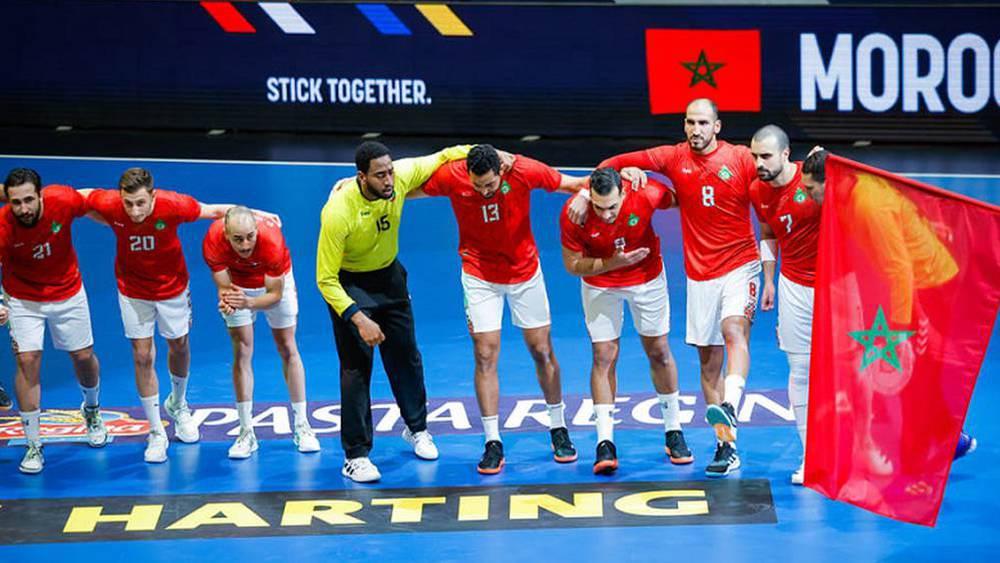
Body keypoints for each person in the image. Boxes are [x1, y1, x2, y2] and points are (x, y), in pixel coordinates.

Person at [595, 98, 760, 477]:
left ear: (717, 126)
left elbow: (779, 172)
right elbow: (608, 165)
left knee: (733, 330)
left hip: (740, 265)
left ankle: (730, 407)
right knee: (708, 365)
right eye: (690, 122)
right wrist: (630, 174)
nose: (696, 129)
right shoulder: (672, 157)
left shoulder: (739, 158)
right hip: (700, 275)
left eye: (703, 123)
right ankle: (726, 445)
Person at [410, 144, 585, 474]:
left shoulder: (524, 171)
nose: (484, 191)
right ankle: (492, 441)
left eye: (489, 185)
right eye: (478, 186)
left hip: (525, 273)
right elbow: (407, 187)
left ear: (501, 171)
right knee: (485, 354)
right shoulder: (454, 175)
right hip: (479, 276)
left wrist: (592, 194)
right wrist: (360, 189)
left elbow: (573, 183)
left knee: (542, 350)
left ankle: (558, 427)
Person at [86, 167, 278, 464]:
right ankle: (155, 432)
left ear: (152, 195)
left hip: (173, 289)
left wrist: (256, 212)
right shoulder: (111, 203)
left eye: (140, 203)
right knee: (142, 355)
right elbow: (79, 198)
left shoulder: (174, 204)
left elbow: (214, 210)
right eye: (128, 204)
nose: (134, 211)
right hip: (132, 289)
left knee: (179, 346)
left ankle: (178, 403)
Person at [802, 149, 977, 463]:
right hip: (902, 282)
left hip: (930, 280)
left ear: (828, 184)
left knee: (918, 365)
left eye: (809, 190)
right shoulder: (844, 187)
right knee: (913, 366)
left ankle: (946, 440)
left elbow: (899, 268)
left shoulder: (869, 205)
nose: (806, 196)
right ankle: (925, 432)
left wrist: (899, 327)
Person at [317, 141, 476, 483]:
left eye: (390, 171)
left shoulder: (399, 179)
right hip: (350, 285)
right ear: (361, 177)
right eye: (380, 175)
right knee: (356, 369)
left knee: (406, 356)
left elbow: (444, 156)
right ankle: (356, 456)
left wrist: (491, 152)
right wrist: (358, 318)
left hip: (389, 278)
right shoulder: (338, 211)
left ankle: (417, 428)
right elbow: (325, 279)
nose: (389, 180)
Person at [560, 167, 693, 475]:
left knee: (659, 352)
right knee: (603, 355)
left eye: (612, 206)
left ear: (623, 193)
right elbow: (572, 265)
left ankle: (673, 431)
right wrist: (612, 263)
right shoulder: (573, 213)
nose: (605, 214)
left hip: (646, 279)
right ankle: (604, 442)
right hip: (599, 283)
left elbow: (682, 200)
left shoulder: (646, 193)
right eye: (598, 206)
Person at [0, 168, 108, 474]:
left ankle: (92, 410)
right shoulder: (3, 226)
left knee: (83, 356)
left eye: (29, 200)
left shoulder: (62, 200)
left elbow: (94, 206)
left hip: (68, 292)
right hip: (22, 297)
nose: (23, 209)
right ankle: (33, 442)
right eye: (16, 202)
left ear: (41, 194)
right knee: (27, 360)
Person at [202, 206, 320, 459]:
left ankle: (302, 426)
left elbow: (275, 295)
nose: (245, 245)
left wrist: (249, 303)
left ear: (256, 230)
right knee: (242, 350)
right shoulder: (213, 240)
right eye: (238, 239)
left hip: (275, 287)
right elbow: (223, 286)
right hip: (237, 285)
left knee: (287, 347)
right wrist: (227, 299)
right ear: (225, 233)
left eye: (250, 237)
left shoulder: (272, 241)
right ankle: (246, 432)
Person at [748, 125, 821, 484]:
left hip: (834, 287)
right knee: (800, 370)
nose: (758, 163)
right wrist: (769, 279)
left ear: (785, 154)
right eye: (753, 156)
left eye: (765, 156)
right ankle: (812, 458)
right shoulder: (757, 190)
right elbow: (768, 233)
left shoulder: (815, 180)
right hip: (793, 287)